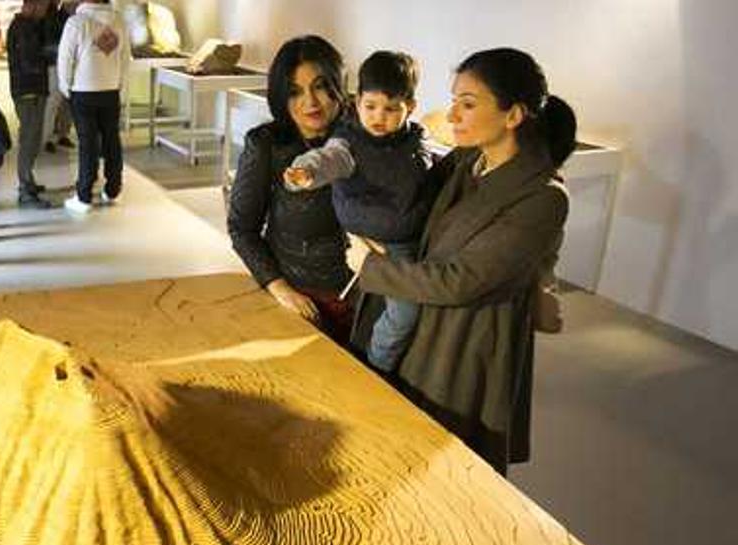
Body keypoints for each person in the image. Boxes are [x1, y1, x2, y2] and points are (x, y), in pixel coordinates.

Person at [346, 48, 577, 473]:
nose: (452, 116)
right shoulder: (467, 160)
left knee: (445, 464)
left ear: (513, 115)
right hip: (423, 317)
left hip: (465, 345)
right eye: (453, 101)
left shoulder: (543, 197)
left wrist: (370, 267)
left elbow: (460, 281)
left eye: (467, 104)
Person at [282, 50, 438, 372]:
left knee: (405, 310)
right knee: (403, 309)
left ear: (411, 107)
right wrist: (306, 172)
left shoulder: (417, 141)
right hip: (365, 236)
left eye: (391, 108)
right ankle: (375, 367)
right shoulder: (349, 142)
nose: (379, 117)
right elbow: (330, 159)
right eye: (370, 107)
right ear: (356, 103)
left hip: (405, 238)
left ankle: (377, 358)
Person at [226, 35, 354, 343]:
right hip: (300, 293)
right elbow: (242, 229)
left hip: (364, 293)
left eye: (321, 86)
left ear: (338, 83)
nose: (310, 102)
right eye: (295, 92)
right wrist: (281, 289)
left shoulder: (363, 135)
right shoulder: (266, 145)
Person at [57, 0, 130, 214]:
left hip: (83, 90)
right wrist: (120, 83)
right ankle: (113, 189)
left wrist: (66, 86)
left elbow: (65, 58)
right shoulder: (119, 21)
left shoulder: (77, 22)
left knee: (87, 143)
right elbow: (126, 57)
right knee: (111, 139)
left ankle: (84, 195)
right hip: (110, 90)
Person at [6, 0, 55, 209]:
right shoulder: (23, 28)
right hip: (28, 90)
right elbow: (30, 60)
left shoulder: (29, 26)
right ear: (33, 5)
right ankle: (25, 189)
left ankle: (28, 182)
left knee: (33, 137)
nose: (46, 11)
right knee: (29, 138)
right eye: (44, 6)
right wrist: (53, 52)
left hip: (32, 88)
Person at [41, 0, 76, 155]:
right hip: (54, 64)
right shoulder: (49, 16)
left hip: (63, 64)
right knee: (53, 103)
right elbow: (49, 43)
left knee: (65, 103)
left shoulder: (64, 16)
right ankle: (48, 138)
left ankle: (62, 134)